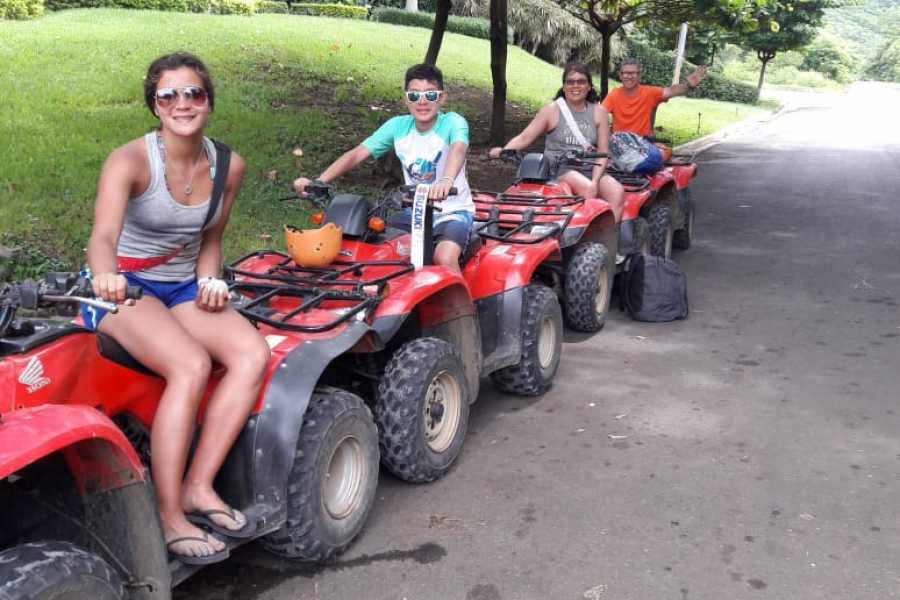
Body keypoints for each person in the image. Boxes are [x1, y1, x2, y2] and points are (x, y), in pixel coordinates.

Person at [85, 52, 270, 565]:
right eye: (168, 95)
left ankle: (198, 487)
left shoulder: (229, 165)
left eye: (194, 93)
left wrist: (210, 279)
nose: (182, 103)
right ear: (154, 105)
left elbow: (211, 238)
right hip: (125, 289)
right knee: (188, 365)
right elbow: (101, 238)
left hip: (181, 286)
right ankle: (169, 519)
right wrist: (107, 274)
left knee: (252, 354)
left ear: (209, 101)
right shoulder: (130, 161)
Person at [293, 63, 475, 273]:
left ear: (441, 98)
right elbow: (356, 154)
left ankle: (461, 307)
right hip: (414, 213)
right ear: (406, 98)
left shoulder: (453, 122)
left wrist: (445, 181)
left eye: (430, 95)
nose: (422, 101)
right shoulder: (398, 126)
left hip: (453, 212)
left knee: (444, 258)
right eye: (415, 95)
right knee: (375, 248)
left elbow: (458, 149)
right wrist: (319, 182)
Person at [488, 62, 625, 223]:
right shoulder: (551, 110)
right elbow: (525, 137)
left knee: (617, 192)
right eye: (570, 81)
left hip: (589, 166)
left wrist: (596, 180)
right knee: (587, 189)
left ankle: (606, 241)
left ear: (589, 86)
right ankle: (579, 241)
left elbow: (603, 152)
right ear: (564, 86)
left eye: (581, 81)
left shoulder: (599, 112)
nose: (575, 85)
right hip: (559, 167)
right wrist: (504, 150)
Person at [602, 58, 708, 138]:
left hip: (643, 144)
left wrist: (688, 85)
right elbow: (600, 114)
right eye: (625, 73)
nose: (629, 76)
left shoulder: (649, 92)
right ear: (620, 76)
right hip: (620, 145)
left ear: (639, 76)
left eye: (633, 73)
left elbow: (671, 90)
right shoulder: (614, 94)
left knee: (666, 152)